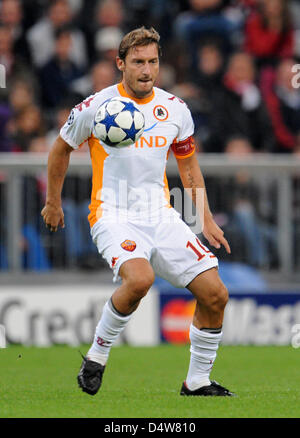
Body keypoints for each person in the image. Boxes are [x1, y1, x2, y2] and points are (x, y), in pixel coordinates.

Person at [41, 26, 234, 397]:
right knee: (140, 279)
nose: (147, 70)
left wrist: (205, 219)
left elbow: (189, 168)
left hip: (161, 214)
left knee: (215, 294)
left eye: (153, 62)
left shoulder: (176, 110)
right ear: (120, 64)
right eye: (138, 62)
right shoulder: (96, 107)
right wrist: (53, 201)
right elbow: (59, 150)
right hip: (112, 213)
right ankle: (96, 357)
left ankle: (197, 382)